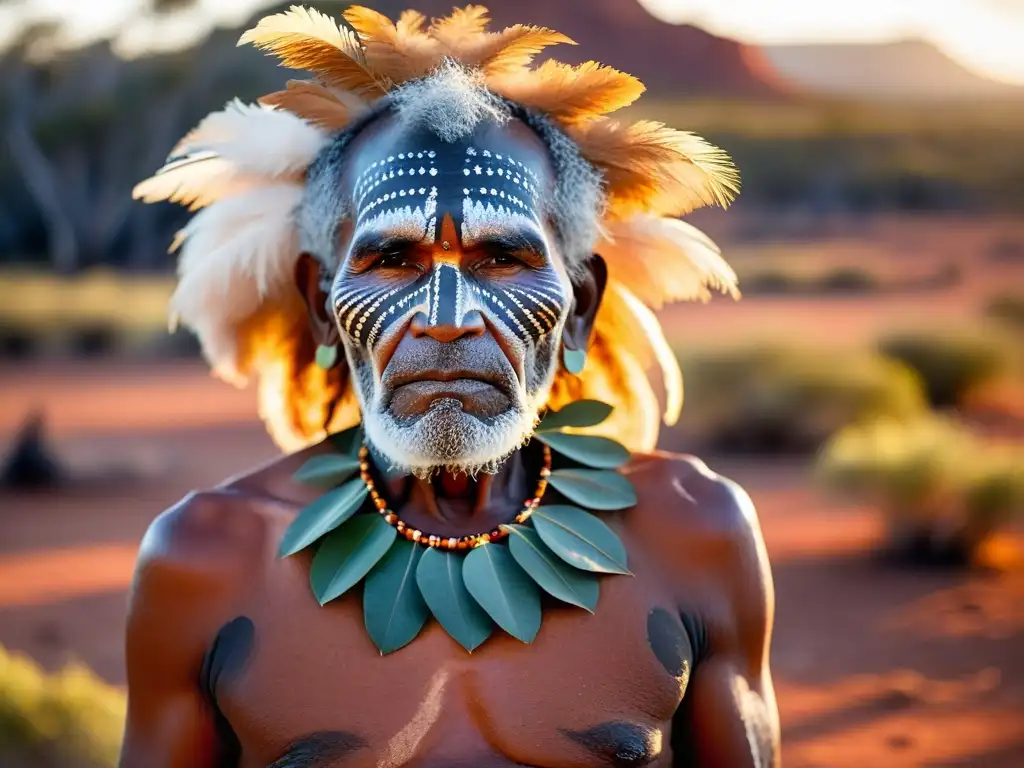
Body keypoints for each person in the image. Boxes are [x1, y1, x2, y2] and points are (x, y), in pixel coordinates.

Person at [123, 5, 779, 766]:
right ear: (322, 305)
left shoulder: (695, 534)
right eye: (392, 261)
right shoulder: (206, 562)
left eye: (502, 259)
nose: (447, 319)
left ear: (579, 306)